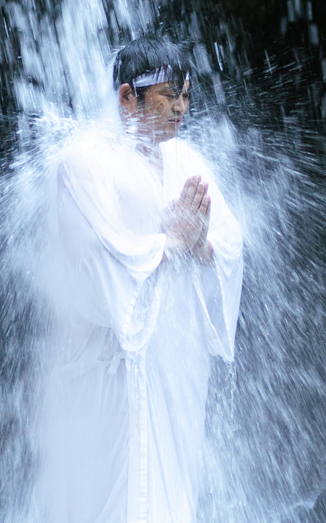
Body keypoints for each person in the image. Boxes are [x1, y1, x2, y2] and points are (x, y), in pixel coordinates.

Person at [41, 36, 244, 523]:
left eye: (188, 94)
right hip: (110, 366)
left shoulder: (188, 161)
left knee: (173, 491)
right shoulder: (84, 162)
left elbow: (228, 244)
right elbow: (94, 262)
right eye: (169, 93)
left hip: (175, 361)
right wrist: (170, 241)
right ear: (127, 98)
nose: (181, 106)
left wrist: (198, 246)